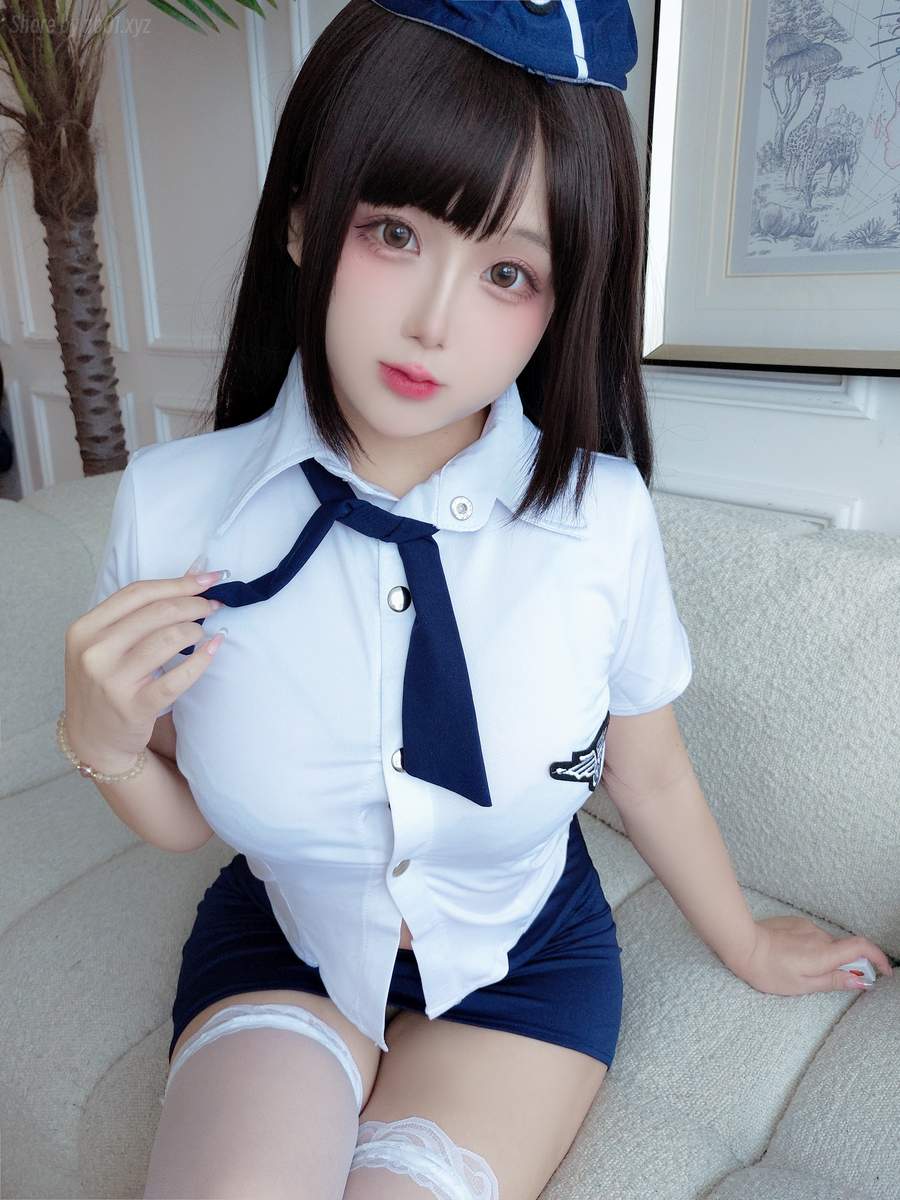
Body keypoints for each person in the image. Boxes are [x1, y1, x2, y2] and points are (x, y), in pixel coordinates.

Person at [63, 2, 696, 1196]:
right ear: (305, 215)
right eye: (394, 232)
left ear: (564, 297)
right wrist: (98, 739)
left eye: (508, 272)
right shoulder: (172, 507)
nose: (433, 324)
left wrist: (750, 942)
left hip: (522, 964)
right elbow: (186, 815)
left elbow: (648, 772)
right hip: (288, 942)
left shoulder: (602, 519)